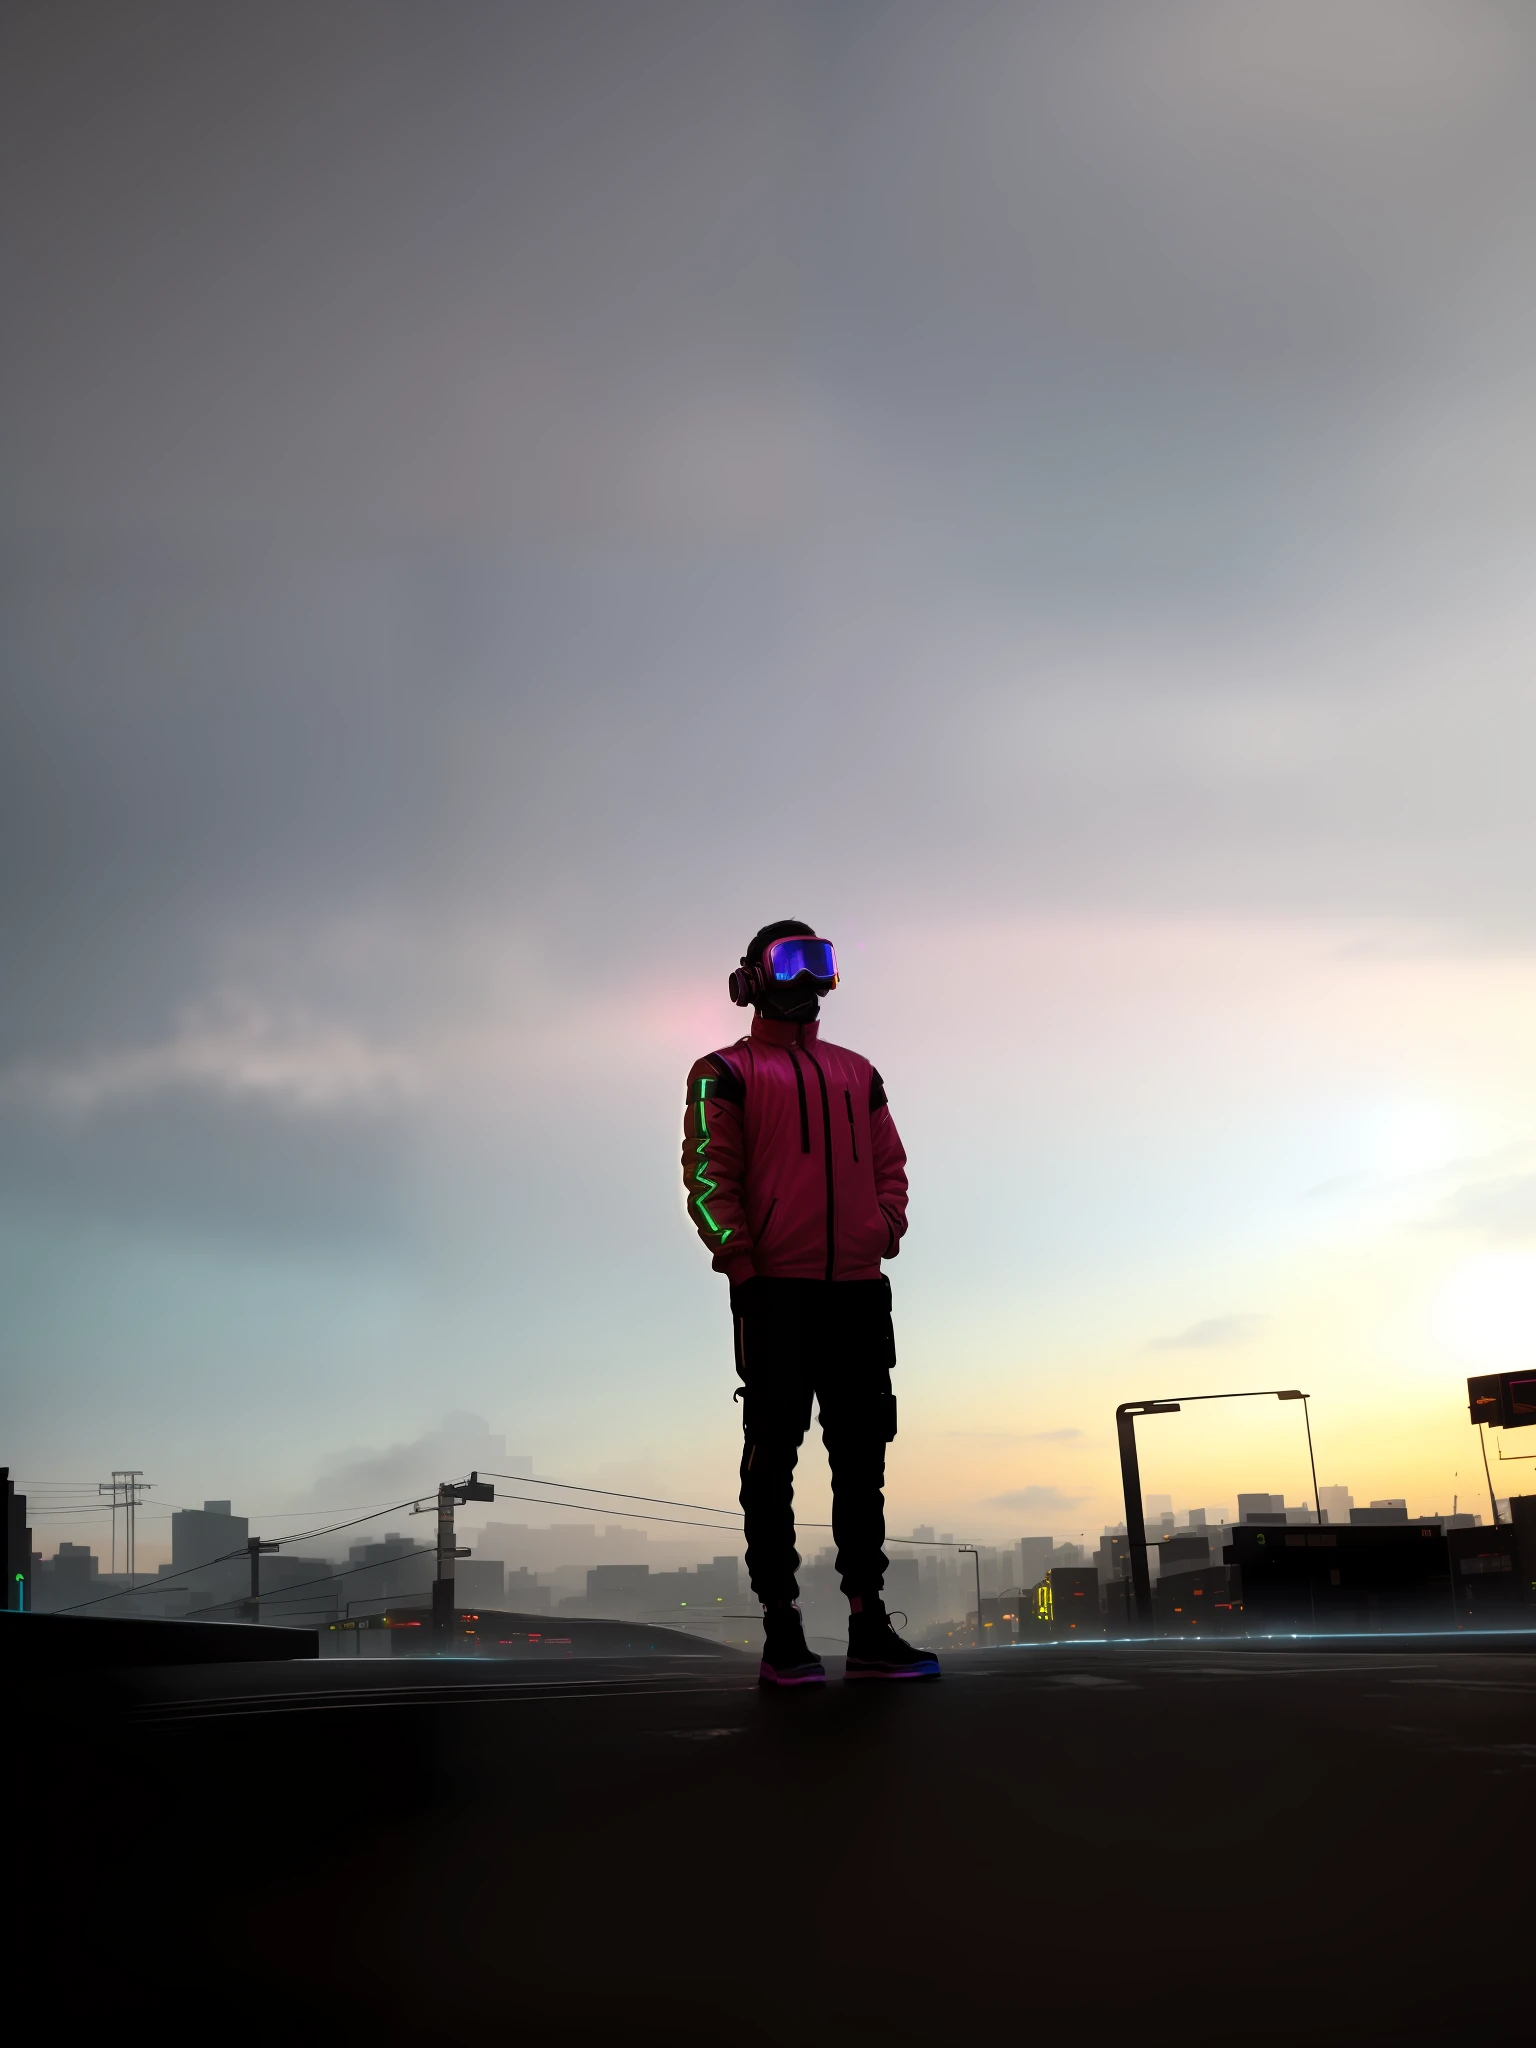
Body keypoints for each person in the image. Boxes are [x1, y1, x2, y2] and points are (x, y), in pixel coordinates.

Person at [681, 919, 940, 1685]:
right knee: (773, 1456)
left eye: (818, 960)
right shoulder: (721, 1072)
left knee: (863, 1457)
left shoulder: (859, 1074)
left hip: (859, 1291)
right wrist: (739, 1259)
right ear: (753, 978)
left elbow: (892, 1164)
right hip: (773, 1291)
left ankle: (868, 1625)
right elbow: (707, 1173)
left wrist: (883, 1227)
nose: (806, 975)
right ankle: (782, 1629)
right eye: (790, 960)